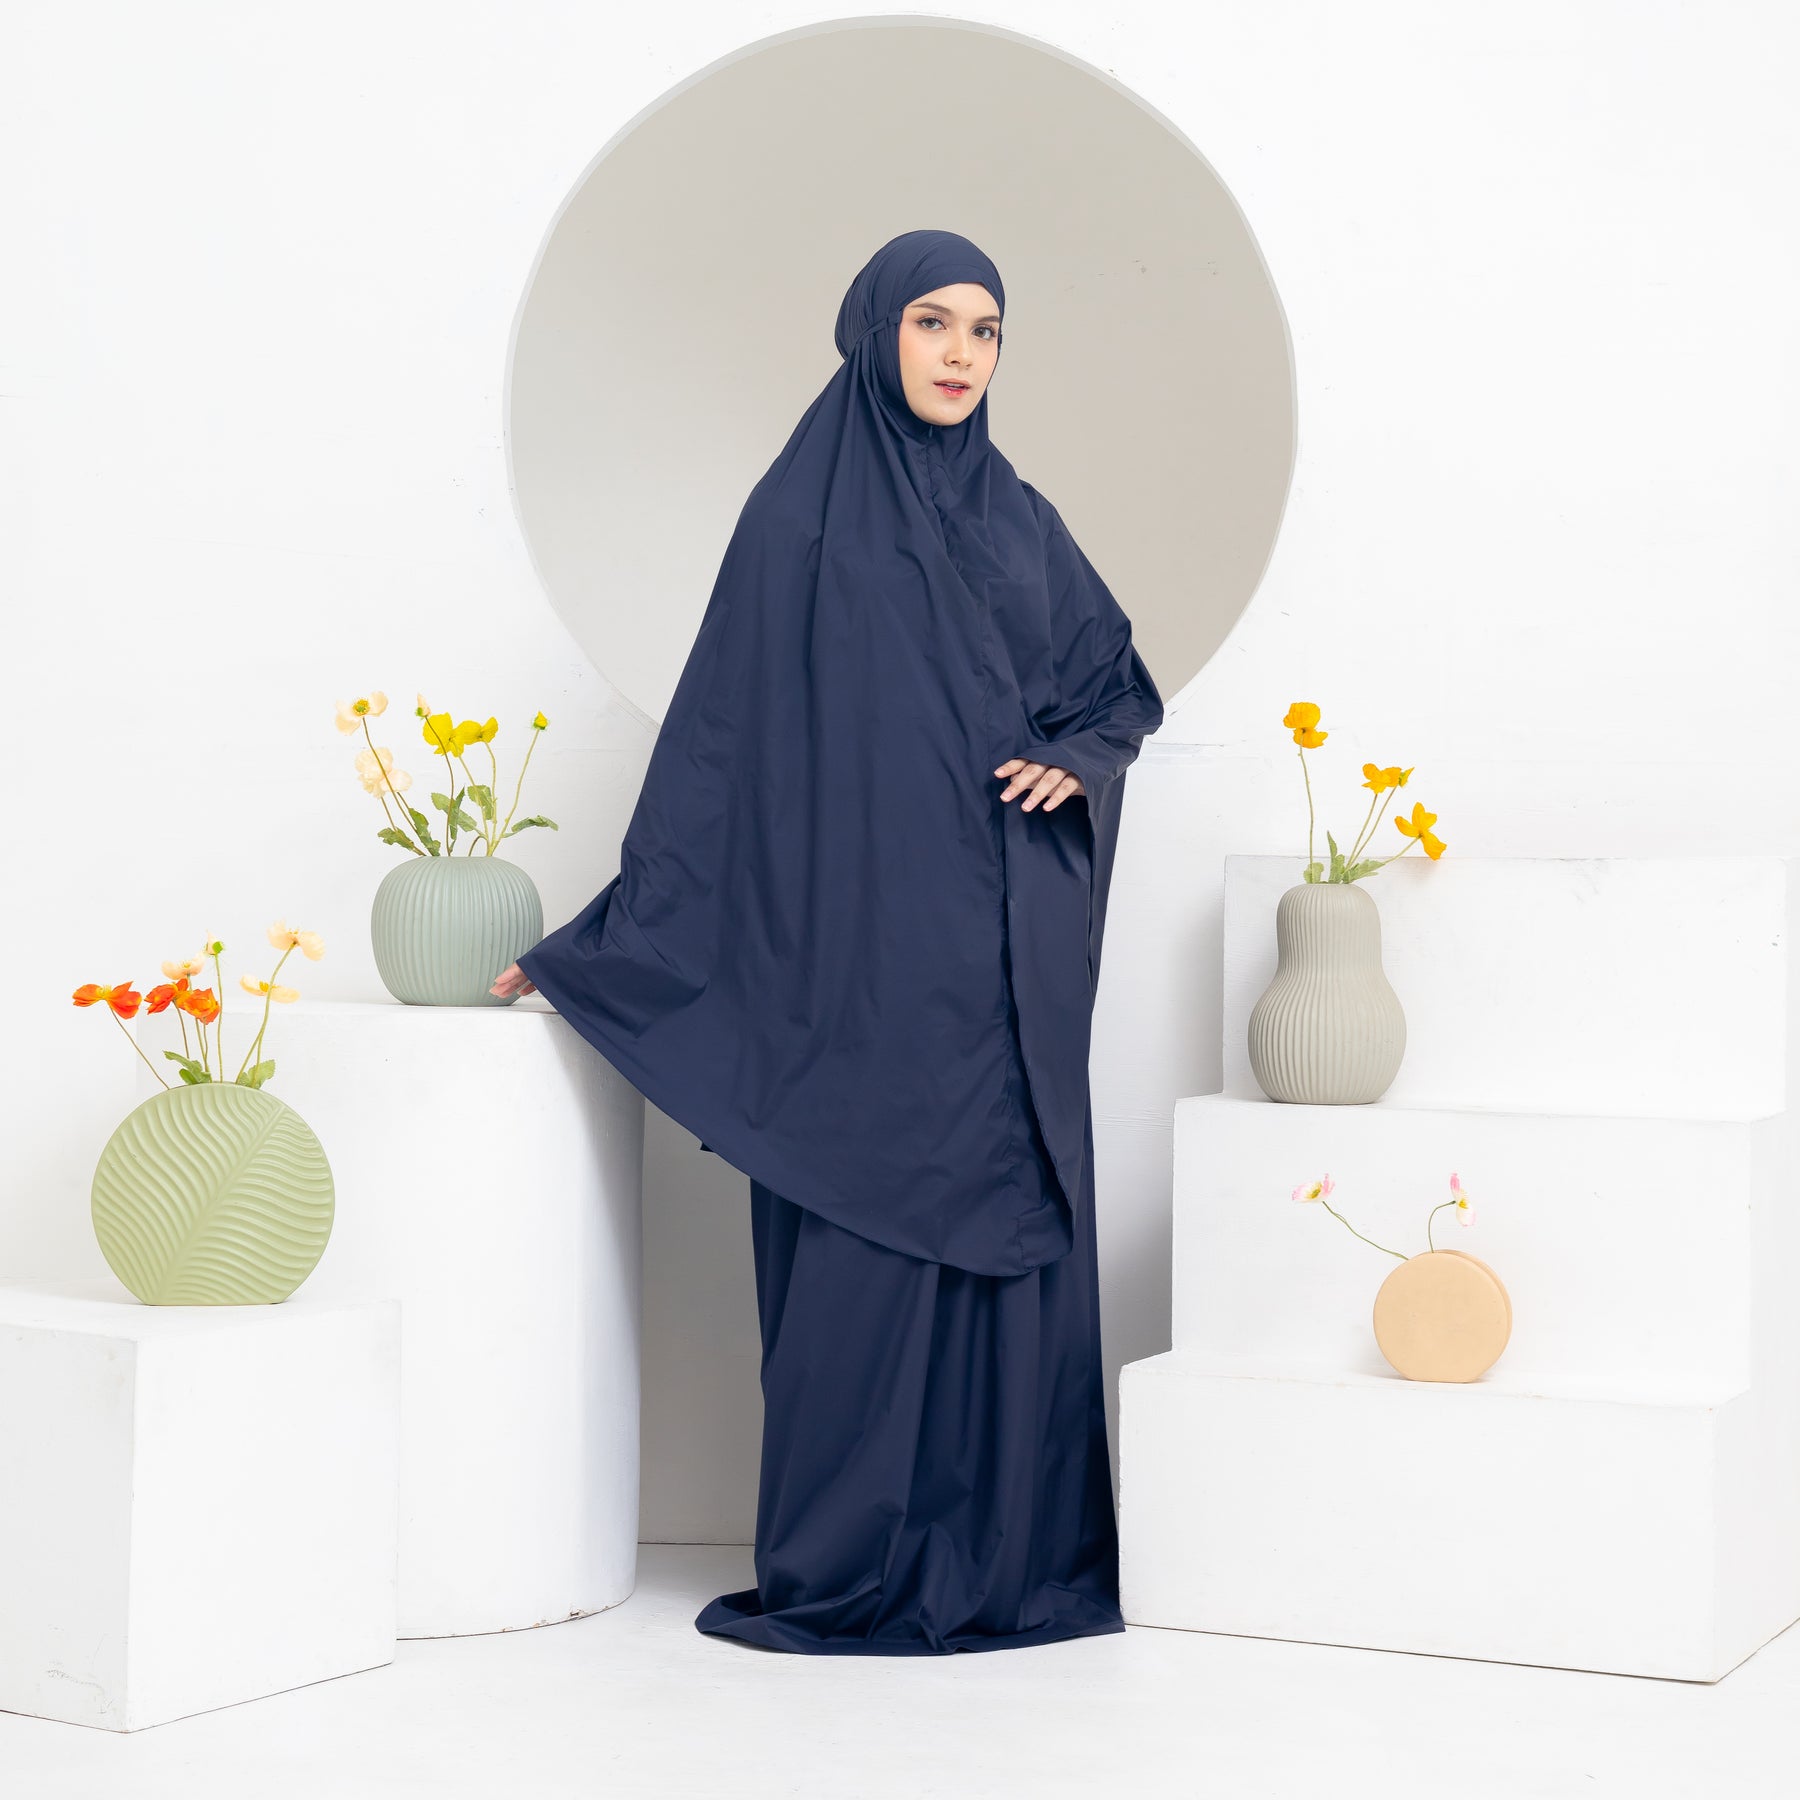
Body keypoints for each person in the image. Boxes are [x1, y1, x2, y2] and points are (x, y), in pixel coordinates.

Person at [490, 229, 1164, 1654]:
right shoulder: (798, 522)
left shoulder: (1020, 518)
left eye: (986, 329)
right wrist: (601, 949)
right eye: (934, 322)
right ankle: (851, 1560)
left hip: (996, 962)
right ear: (873, 330)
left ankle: (1002, 1558)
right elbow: (718, 751)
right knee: (859, 1245)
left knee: (1000, 1233)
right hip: (852, 963)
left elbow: (1116, 686)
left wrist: (1077, 762)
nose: (962, 354)